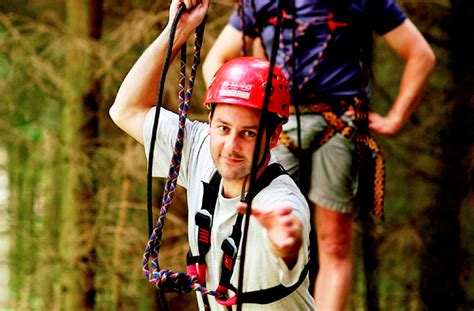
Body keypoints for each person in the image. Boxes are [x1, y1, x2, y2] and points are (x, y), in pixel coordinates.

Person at [202, 0, 436, 310]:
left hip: (340, 125)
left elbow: (421, 55)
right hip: (278, 128)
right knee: (260, 227)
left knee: (334, 243)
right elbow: (216, 59)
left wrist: (395, 117)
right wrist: (240, 114)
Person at [109, 0, 315, 309]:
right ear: (210, 122)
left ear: (273, 137)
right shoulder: (199, 148)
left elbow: (289, 237)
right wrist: (177, 30)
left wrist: (287, 241)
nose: (231, 145)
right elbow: (126, 110)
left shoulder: (280, 203)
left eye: (248, 133)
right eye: (222, 128)